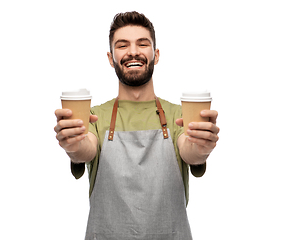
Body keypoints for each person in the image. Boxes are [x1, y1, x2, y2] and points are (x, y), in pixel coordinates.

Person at [54, 11, 220, 240]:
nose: (133, 51)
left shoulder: (179, 115)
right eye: (122, 45)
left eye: (142, 44)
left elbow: (190, 151)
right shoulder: (94, 116)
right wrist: (72, 144)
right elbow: (85, 148)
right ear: (111, 58)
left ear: (156, 54)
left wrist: (202, 147)